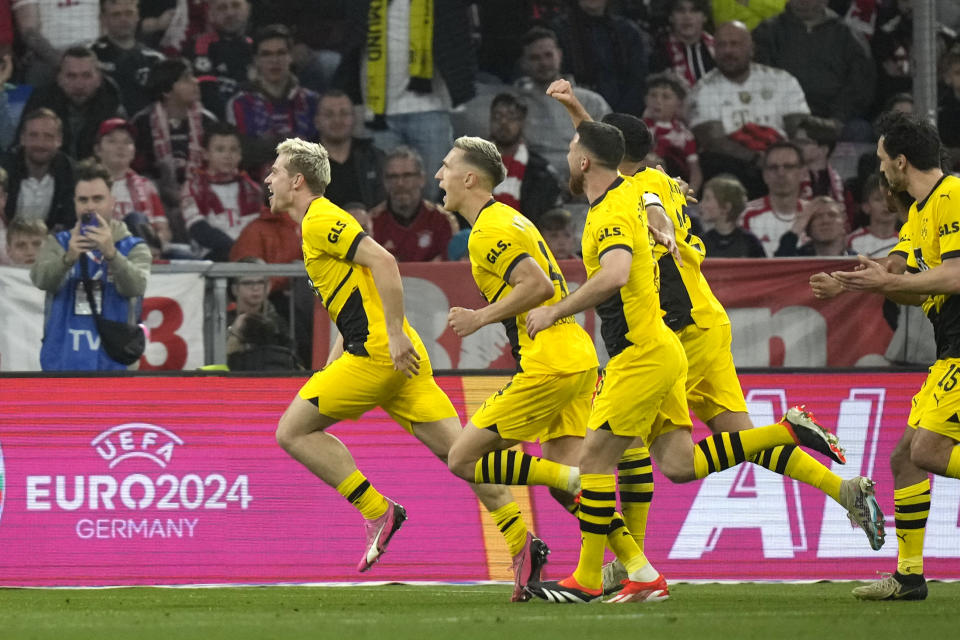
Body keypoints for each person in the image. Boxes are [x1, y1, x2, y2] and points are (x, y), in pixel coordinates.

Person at [546, 83, 883, 594]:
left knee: (642, 454)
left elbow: (649, 202)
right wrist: (572, 105)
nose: (580, 149)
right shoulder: (649, 176)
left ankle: (618, 565)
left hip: (673, 330)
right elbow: (604, 151)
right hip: (705, 320)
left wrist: (659, 221)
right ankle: (840, 486)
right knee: (729, 440)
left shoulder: (638, 189)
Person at [268, 136, 527, 585]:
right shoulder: (314, 225)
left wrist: (388, 336)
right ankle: (524, 542)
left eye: (275, 171)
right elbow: (355, 300)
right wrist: (336, 362)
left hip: (379, 354)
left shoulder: (319, 219)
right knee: (461, 454)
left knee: (292, 431)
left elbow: (385, 260)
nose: (268, 179)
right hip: (397, 354)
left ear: (296, 180)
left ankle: (378, 511)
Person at [437, 136, 598, 601]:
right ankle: (637, 566)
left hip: (548, 362)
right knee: (569, 497)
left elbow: (539, 285)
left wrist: (478, 317)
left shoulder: (489, 230)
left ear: (470, 178)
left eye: (446, 167)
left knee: (463, 458)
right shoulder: (511, 218)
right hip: (576, 357)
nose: (439, 176)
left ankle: (569, 476)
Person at [831, 113, 960, 600]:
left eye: (884, 161)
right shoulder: (920, 212)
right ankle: (909, 578)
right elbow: (901, 277)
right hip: (949, 343)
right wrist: (848, 281)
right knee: (905, 459)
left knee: (927, 452)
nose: (882, 170)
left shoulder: (952, 196)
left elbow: (955, 276)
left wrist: (889, 281)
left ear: (902, 162)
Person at [336, 0, 476, 201]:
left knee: (433, 193)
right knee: (384, 194)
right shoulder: (365, 3)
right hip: (379, 112)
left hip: (431, 107)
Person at [29, 159, 151, 371]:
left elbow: (136, 286)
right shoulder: (58, 243)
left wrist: (111, 254)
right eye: (83, 199)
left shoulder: (133, 247)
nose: (90, 206)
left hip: (115, 362)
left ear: (112, 201)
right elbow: (40, 280)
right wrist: (68, 258)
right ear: (75, 203)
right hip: (62, 360)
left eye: (98, 199)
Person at [687, 21, 810, 198]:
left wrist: (786, 157)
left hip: (782, 158)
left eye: (735, 44)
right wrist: (757, 159)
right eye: (722, 45)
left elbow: (799, 127)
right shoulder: (703, 89)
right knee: (716, 164)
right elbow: (713, 141)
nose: (728, 51)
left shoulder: (782, 80)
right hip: (737, 166)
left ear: (751, 48)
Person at [510, 26, 611, 186]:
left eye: (548, 55)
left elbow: (609, 149)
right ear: (524, 63)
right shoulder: (514, 105)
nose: (543, 63)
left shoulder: (591, 101)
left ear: (559, 55)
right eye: (535, 58)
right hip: (536, 184)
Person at [752, 0, 876, 130]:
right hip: (779, 116)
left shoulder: (848, 35)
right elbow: (758, 77)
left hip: (836, 119)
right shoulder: (766, 31)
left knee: (859, 130)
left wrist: (838, 118)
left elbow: (861, 83)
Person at [226, 24, 320, 179]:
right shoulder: (239, 104)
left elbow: (321, 150)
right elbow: (242, 153)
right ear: (256, 60)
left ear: (290, 57)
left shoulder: (312, 101)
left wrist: (266, 145)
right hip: (255, 188)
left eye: (281, 53)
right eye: (266, 54)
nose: (274, 60)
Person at [21, 46, 124, 160]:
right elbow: (22, 147)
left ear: (99, 79)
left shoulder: (113, 107)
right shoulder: (40, 103)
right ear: (59, 79)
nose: (79, 85)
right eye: (71, 76)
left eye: (86, 76)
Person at [550, 0, 649, 116]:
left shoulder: (627, 31)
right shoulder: (559, 30)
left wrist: (622, 115)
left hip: (624, 112)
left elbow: (637, 77)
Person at [180, 122, 262, 261]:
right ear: (206, 154)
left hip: (252, 255)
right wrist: (238, 251)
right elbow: (199, 230)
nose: (227, 156)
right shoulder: (193, 187)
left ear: (240, 155)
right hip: (212, 258)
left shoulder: (253, 189)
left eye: (233, 150)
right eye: (220, 150)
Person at [369, 146, 458, 262]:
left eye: (407, 176)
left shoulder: (442, 220)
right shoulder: (372, 223)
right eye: (393, 177)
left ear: (422, 179)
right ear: (385, 182)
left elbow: (452, 270)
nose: (400, 183)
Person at [93, 117, 170, 246]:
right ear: (98, 150)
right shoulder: (86, 186)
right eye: (112, 141)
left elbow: (163, 229)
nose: (121, 147)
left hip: (144, 251)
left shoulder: (147, 186)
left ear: (134, 151)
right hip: (103, 251)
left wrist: (159, 240)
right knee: (135, 219)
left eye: (127, 142)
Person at [488, 93, 561, 226]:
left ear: (523, 123)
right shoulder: (469, 164)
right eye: (497, 117)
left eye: (511, 117)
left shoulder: (541, 172)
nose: (503, 123)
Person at [1, 107, 75, 230]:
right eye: (33, 135)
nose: (40, 143)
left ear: (59, 140)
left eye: (48, 136)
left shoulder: (73, 174)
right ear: (22, 138)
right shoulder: (3, 169)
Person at [92, 0, 166, 117]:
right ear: (103, 19)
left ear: (138, 16)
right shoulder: (91, 56)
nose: (124, 20)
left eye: (129, 13)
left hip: (144, 129)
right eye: (116, 15)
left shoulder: (155, 60)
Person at [315, 89, 385, 209]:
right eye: (329, 114)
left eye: (344, 114)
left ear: (354, 119)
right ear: (317, 121)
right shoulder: (301, 161)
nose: (337, 120)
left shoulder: (374, 158)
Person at [182, 0, 253, 118]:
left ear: (248, 9)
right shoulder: (201, 46)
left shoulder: (256, 47)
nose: (230, 13)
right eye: (222, 8)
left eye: (236, 5)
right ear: (211, 14)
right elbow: (207, 96)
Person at [740, 141, 810, 257]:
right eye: (773, 168)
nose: (781, 173)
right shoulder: (745, 215)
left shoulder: (816, 214)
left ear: (803, 173)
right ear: (764, 175)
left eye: (788, 167)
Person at [12, 0, 100, 86]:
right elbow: (29, 31)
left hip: (95, 52)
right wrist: (61, 61)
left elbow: (107, 16)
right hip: (48, 56)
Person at [642, 72, 702, 193]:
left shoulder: (684, 136)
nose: (658, 101)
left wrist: (690, 192)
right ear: (645, 99)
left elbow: (695, 172)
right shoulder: (638, 128)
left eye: (666, 97)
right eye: (653, 95)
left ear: (679, 103)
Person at [649, 0, 715, 89]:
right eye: (680, 10)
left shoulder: (720, 49)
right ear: (671, 17)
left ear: (705, 17)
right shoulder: (659, 53)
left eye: (694, 10)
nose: (687, 16)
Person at [699, 174, 766, 258]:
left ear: (726, 207)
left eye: (707, 199)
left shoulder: (750, 243)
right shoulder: (700, 242)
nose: (701, 204)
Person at [774, 196, 856, 257]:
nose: (825, 221)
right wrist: (798, 226)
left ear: (844, 225)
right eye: (817, 216)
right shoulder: (798, 260)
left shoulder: (856, 262)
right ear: (808, 229)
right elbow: (777, 266)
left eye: (832, 215)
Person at [792, 115, 845, 206]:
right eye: (796, 142)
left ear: (823, 150)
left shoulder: (841, 185)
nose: (798, 147)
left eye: (804, 142)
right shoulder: (788, 178)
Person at [847, 173, 901, 258]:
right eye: (878, 199)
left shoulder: (906, 242)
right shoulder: (852, 240)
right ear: (866, 207)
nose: (886, 204)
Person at [226, 311, 301, 371]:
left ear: (247, 346)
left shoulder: (238, 378)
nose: (227, 337)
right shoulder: (291, 368)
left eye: (231, 333)